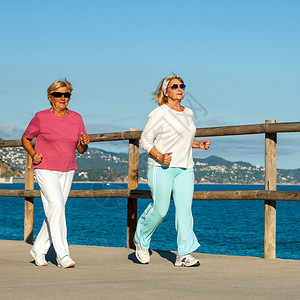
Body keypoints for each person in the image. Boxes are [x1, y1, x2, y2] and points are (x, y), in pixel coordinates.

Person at [134, 75, 211, 267]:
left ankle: (183, 254)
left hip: (185, 167)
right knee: (160, 210)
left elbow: (182, 139)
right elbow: (145, 140)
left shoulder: (189, 113)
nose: (179, 88)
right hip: (161, 167)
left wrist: (198, 144)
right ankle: (141, 241)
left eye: (182, 85)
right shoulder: (158, 113)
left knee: (185, 211)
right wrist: (159, 156)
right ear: (166, 91)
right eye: (174, 86)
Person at [22, 79, 90, 268]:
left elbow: (81, 149)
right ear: (50, 97)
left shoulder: (76, 118)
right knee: (57, 208)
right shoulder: (41, 117)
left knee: (55, 210)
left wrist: (84, 143)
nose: (62, 98)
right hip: (45, 168)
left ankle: (38, 249)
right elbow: (26, 138)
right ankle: (63, 255)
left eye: (66, 95)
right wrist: (33, 154)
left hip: (68, 169)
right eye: (58, 95)